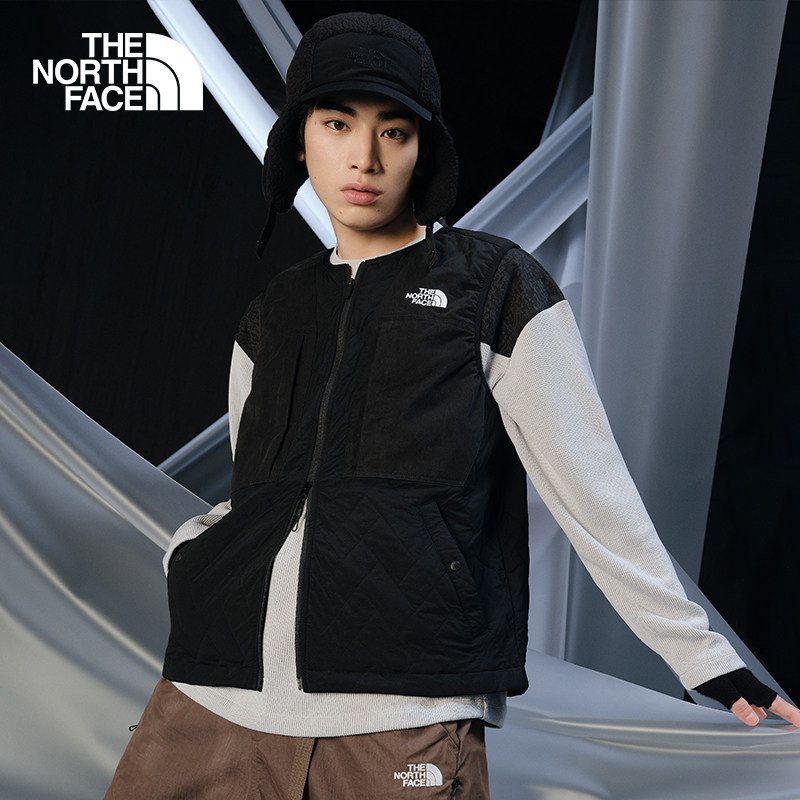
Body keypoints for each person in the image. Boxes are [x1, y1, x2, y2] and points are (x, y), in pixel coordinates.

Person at [104, 11, 799, 799]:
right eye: (338, 124)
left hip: (403, 712)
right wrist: (192, 555)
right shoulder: (273, 313)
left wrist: (705, 660)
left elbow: (593, 491)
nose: (365, 157)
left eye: (394, 132)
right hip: (209, 696)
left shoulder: (496, 287)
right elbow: (255, 493)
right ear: (299, 141)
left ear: (423, 150)